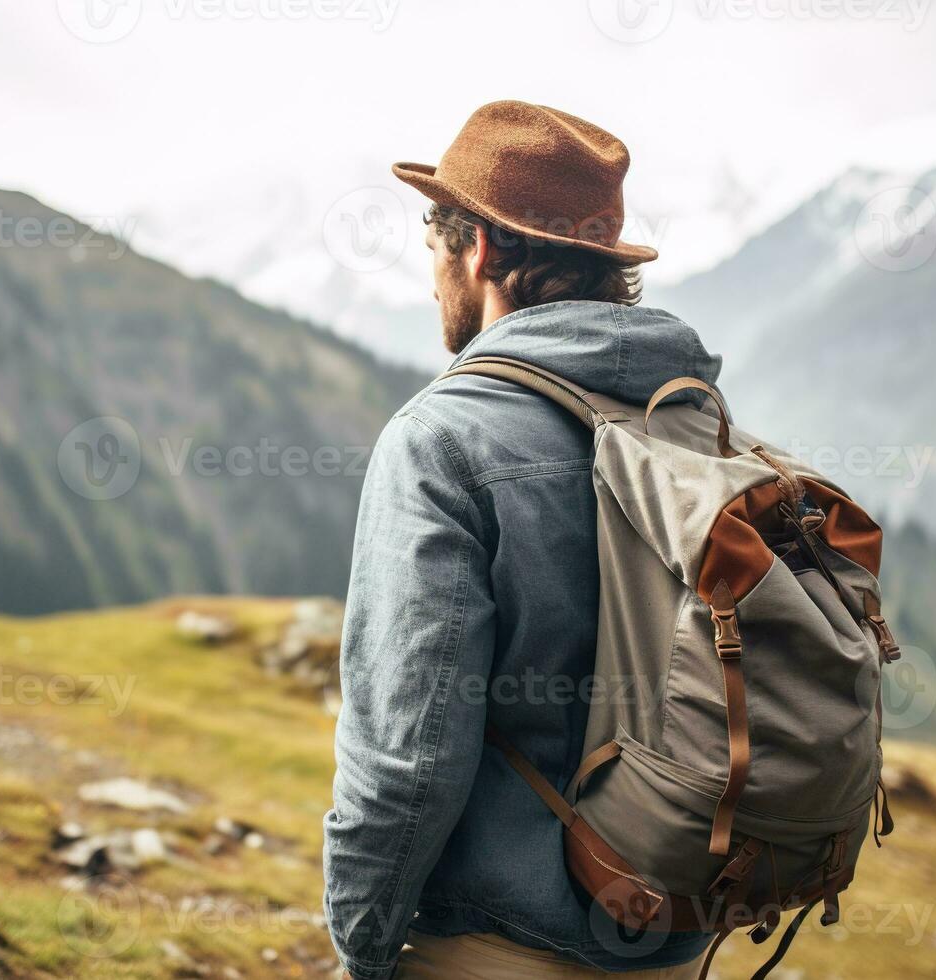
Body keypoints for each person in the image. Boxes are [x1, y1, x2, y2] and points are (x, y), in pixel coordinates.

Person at [324, 101, 713, 979]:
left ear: (484, 250)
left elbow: (405, 758)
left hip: (495, 947)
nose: (431, 279)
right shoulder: (690, 422)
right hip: (675, 942)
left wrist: (361, 945)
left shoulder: (442, 439)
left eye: (434, 244)